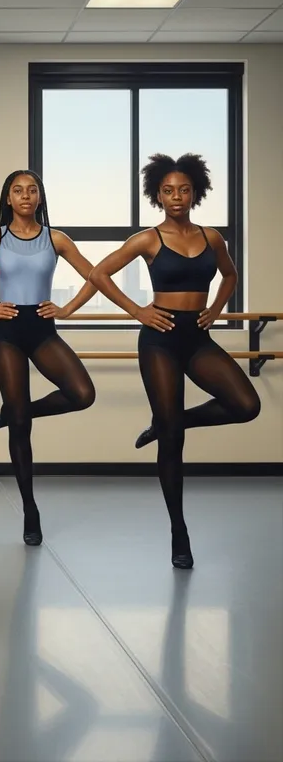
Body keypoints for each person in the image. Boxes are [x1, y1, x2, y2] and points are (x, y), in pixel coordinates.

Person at [89, 153, 260, 569]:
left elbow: (230, 276)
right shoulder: (149, 238)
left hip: (197, 338)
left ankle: (169, 419)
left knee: (246, 405)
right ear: (157, 194)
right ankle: (178, 533)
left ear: (195, 191)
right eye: (168, 190)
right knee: (173, 442)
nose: (176, 196)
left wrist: (218, 308)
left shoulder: (212, 237)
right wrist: (139, 312)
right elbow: (98, 274)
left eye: (184, 189)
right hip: (159, 340)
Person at [0, 169, 97, 546]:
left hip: (42, 329)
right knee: (21, 428)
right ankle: (30, 509)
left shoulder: (56, 239)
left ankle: (15, 408)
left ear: (40, 198)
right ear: (8, 199)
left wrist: (68, 308)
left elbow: (96, 276)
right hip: (7, 333)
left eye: (33, 190)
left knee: (82, 393)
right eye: (18, 191)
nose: (26, 196)